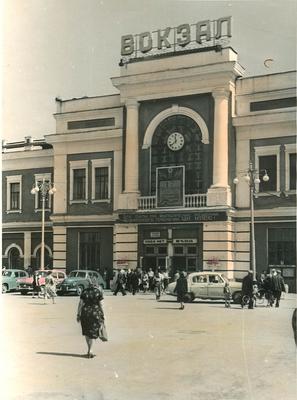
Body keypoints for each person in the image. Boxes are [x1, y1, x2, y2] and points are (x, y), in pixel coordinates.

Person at [77, 278, 107, 358]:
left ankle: (89, 349)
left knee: (86, 331)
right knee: (93, 331)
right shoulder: (98, 292)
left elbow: (80, 304)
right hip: (95, 313)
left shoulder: (84, 291)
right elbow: (101, 304)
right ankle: (91, 349)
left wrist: (78, 314)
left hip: (85, 313)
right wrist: (103, 314)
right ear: (95, 284)